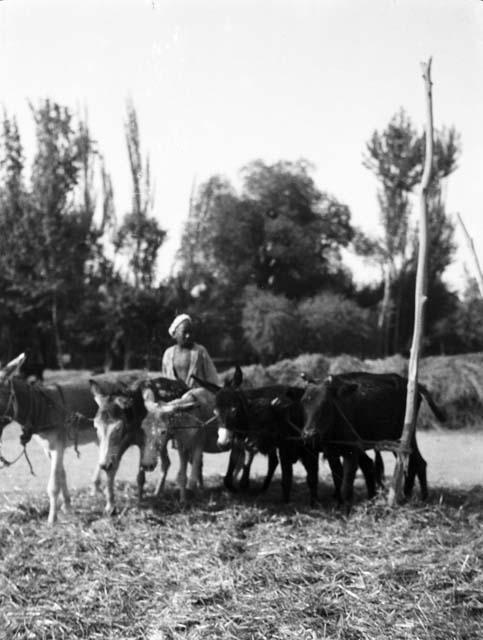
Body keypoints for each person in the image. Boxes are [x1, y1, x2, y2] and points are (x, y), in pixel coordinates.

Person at [162, 314, 221, 388]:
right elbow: (165, 378)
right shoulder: (168, 354)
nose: (188, 336)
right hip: (173, 396)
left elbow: (212, 377)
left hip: (196, 396)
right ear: (174, 334)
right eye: (184, 332)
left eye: (190, 332)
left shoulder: (200, 351)